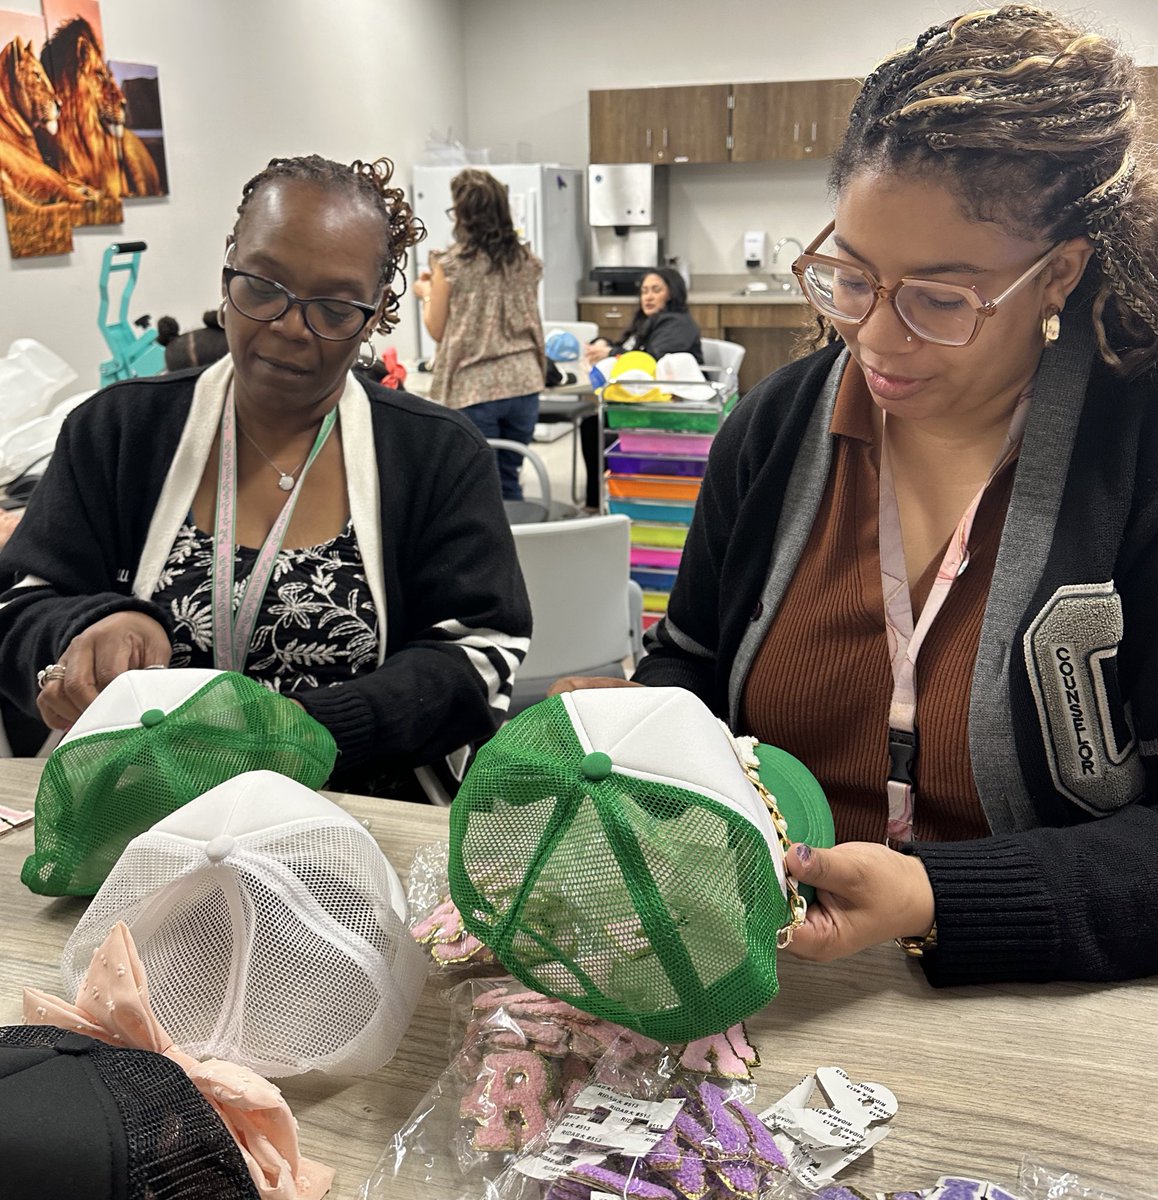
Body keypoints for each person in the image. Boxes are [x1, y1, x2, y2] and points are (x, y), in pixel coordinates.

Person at [552, 6, 1158, 987]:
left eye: (938, 299)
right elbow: (694, 664)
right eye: (850, 276)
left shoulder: (1133, 452)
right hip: (768, 975)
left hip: (1045, 1000)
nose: (876, 335)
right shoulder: (779, 432)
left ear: (1058, 276)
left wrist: (931, 900)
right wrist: (638, 733)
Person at [0, 154, 532, 800]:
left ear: (376, 316)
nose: (286, 326)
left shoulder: (439, 457)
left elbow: (480, 653)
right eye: (262, 286)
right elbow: (21, 603)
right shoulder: (114, 434)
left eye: (333, 309)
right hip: (133, 820)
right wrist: (90, 628)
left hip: (357, 824)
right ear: (228, 273)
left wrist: (311, 729)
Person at [412, 168, 545, 502]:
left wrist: (426, 292)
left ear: (463, 216)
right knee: (508, 478)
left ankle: (490, 550)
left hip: (474, 387)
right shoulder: (527, 260)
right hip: (524, 384)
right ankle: (518, 546)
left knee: (479, 488)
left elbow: (437, 328)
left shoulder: (452, 265)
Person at [580, 267, 703, 509]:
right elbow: (629, 349)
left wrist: (611, 353)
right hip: (646, 400)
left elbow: (650, 360)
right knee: (592, 423)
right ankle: (600, 499)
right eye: (644, 291)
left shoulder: (677, 323)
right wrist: (604, 344)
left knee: (595, 425)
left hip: (671, 406)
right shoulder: (647, 321)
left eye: (656, 290)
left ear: (672, 294)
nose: (647, 296)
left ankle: (604, 500)